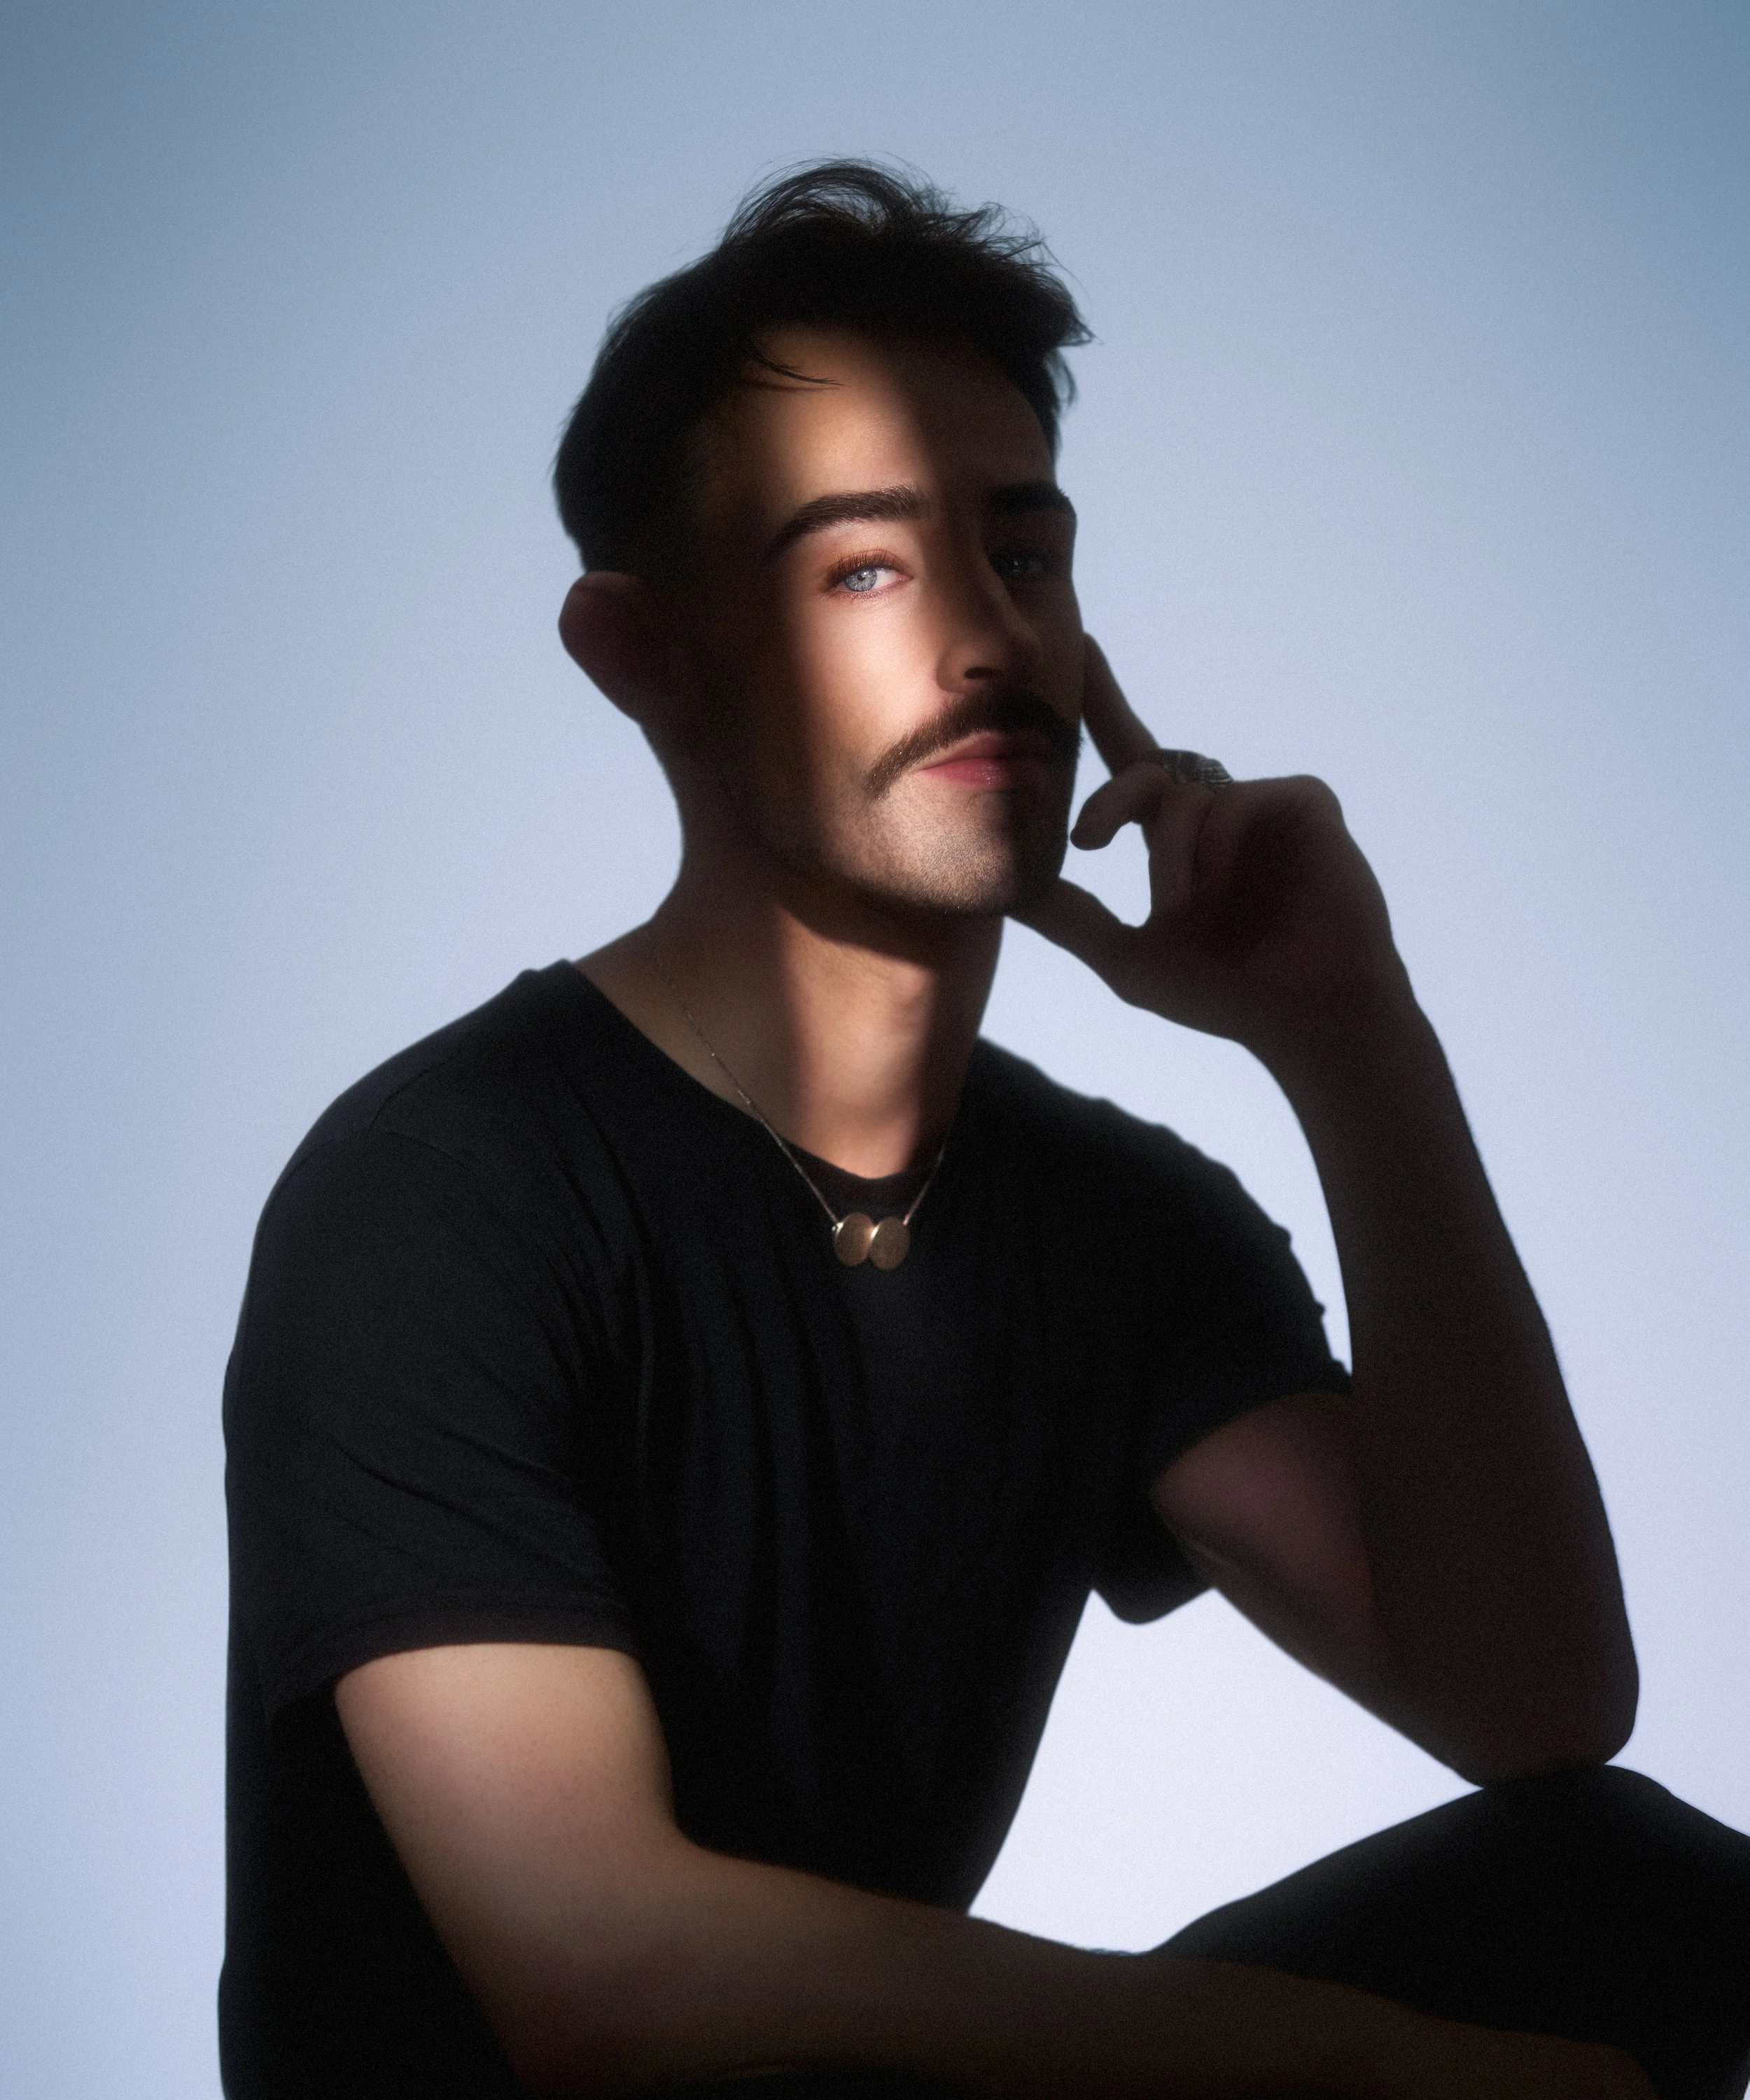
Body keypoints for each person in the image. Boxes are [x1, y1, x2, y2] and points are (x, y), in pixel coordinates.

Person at [220, 163, 1750, 2099]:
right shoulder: (444, 1189)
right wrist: (1406, 2080)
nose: (980, 636)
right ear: (648, 655)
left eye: (1020, 555)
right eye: (860, 566)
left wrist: (1353, 1042)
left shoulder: (1111, 1223)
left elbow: (1531, 1703)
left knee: (1615, 1894)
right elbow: (593, 1969)